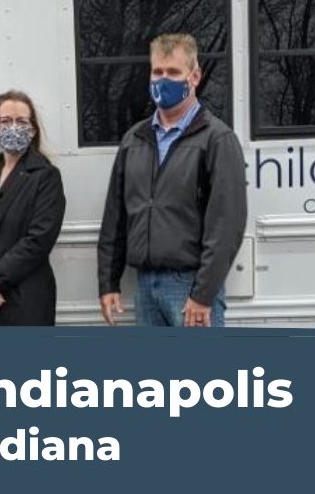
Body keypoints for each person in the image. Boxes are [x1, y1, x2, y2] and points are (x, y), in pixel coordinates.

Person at [97, 33, 247, 328]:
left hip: (190, 285)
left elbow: (226, 225)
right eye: (158, 72)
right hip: (145, 285)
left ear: (195, 76)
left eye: (174, 72)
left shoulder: (216, 139)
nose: (164, 80)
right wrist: (108, 282)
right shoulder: (134, 139)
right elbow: (115, 218)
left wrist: (203, 294)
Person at [0, 90, 66, 326]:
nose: (13, 127)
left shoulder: (46, 177)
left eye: (21, 121)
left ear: (33, 129)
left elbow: (38, 241)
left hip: (25, 299)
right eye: (6, 120)